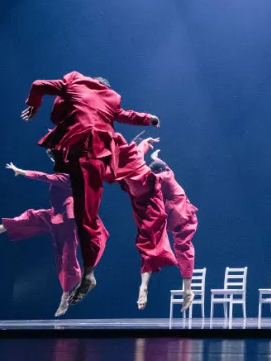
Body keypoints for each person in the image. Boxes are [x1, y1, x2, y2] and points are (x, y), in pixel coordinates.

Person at [21, 72, 169, 308]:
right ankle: (89, 273)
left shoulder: (73, 83)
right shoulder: (109, 99)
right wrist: (149, 118)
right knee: (86, 217)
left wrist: (33, 106)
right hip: (95, 158)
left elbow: (37, 84)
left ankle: (89, 276)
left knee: (85, 217)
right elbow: (126, 115)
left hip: (86, 156)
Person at [0, 151, 82, 317]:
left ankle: (66, 295)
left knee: (67, 256)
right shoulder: (65, 171)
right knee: (31, 216)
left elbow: (44, 177)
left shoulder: (68, 176)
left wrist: (22, 172)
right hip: (55, 215)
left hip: (68, 221)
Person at [138, 138, 199, 312]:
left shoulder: (163, 176)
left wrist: (138, 154)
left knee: (183, 250)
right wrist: (154, 155)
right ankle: (144, 286)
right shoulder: (167, 171)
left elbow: (147, 175)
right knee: (151, 244)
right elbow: (162, 165)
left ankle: (187, 291)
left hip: (182, 217)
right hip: (172, 216)